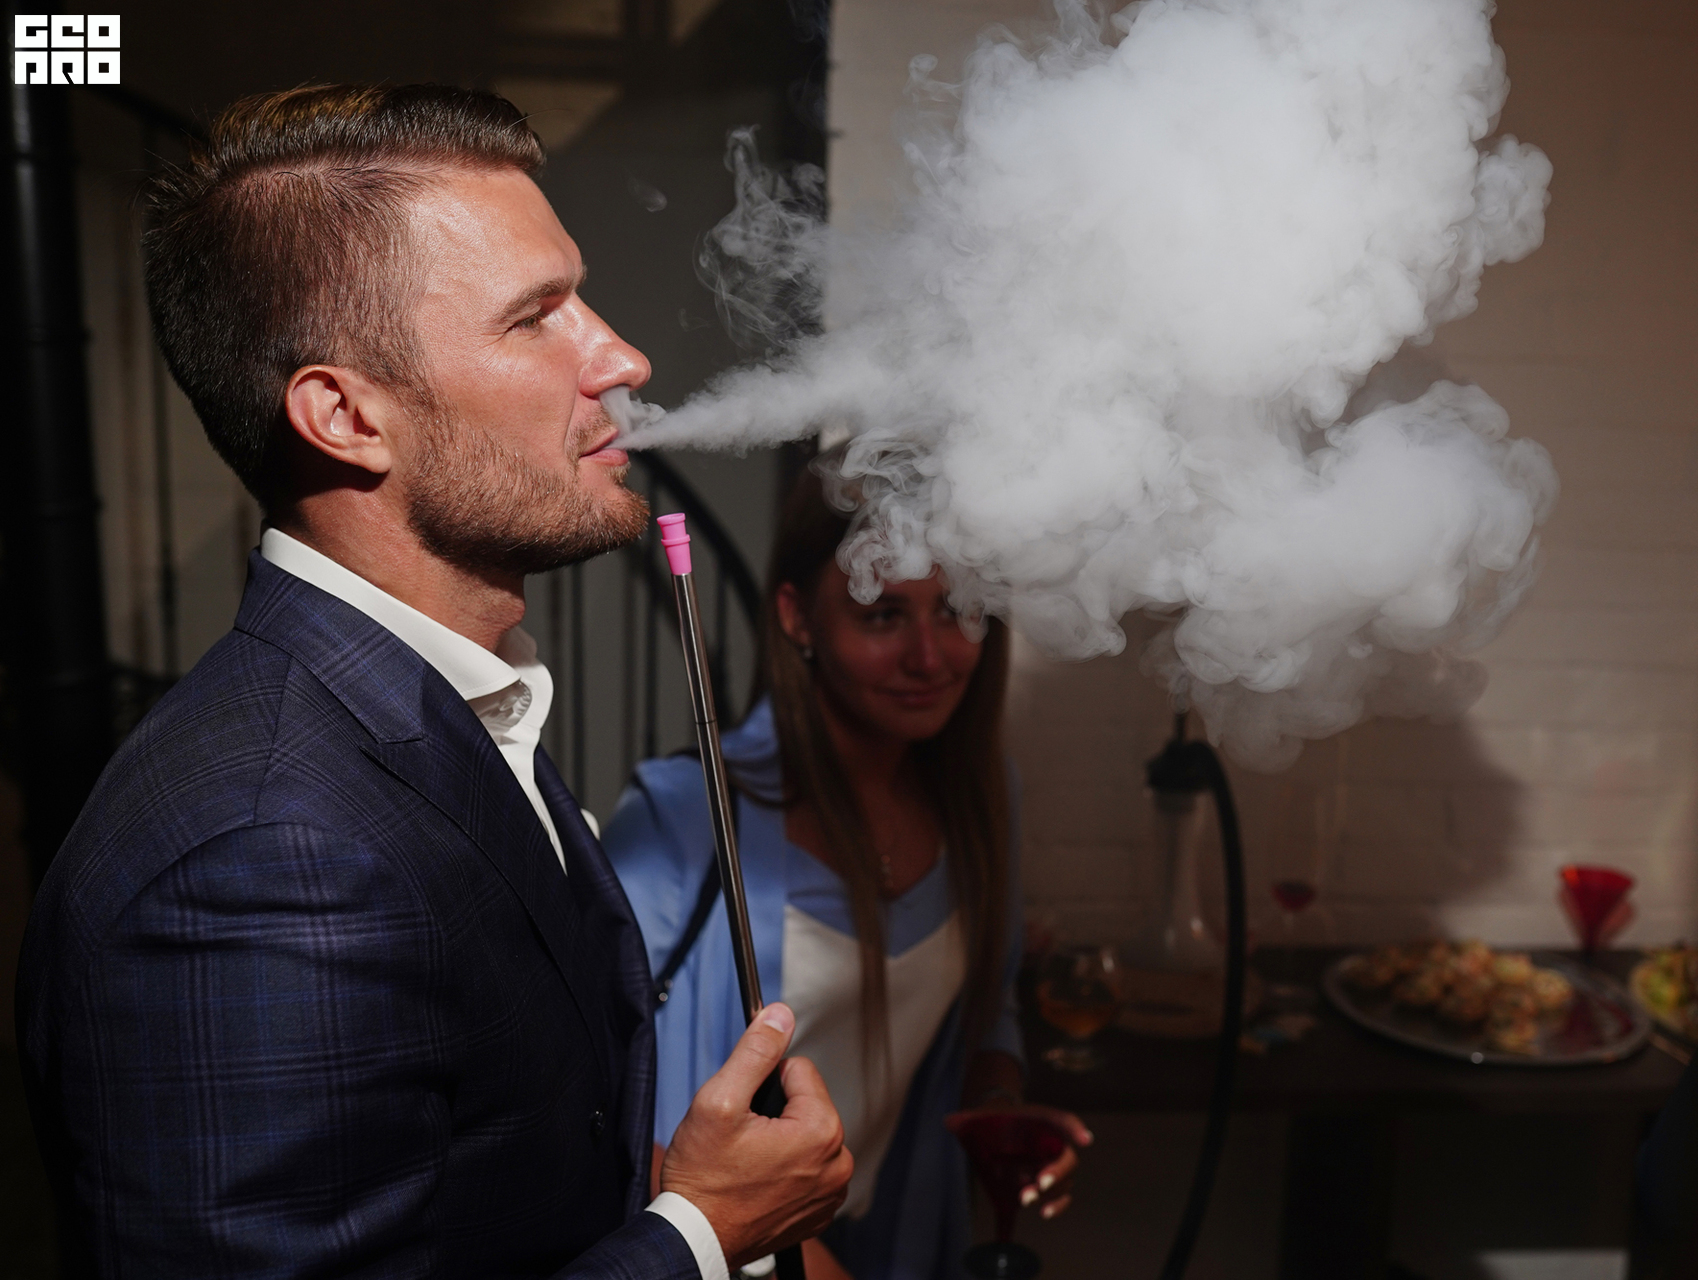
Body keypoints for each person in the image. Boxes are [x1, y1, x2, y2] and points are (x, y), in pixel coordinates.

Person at [14, 84, 850, 1278]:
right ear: (347, 415)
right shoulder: (265, 853)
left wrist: (659, 1200)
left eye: (580, 296)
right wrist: (703, 1232)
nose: (621, 357)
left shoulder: (448, 705)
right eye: (536, 316)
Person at [602, 462, 1091, 1280]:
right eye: (883, 614)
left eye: (958, 610)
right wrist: (790, 1256)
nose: (930, 656)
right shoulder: (685, 815)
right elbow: (586, 1101)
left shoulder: (980, 797)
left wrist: (1001, 1117)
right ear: (798, 616)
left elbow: (990, 1014)